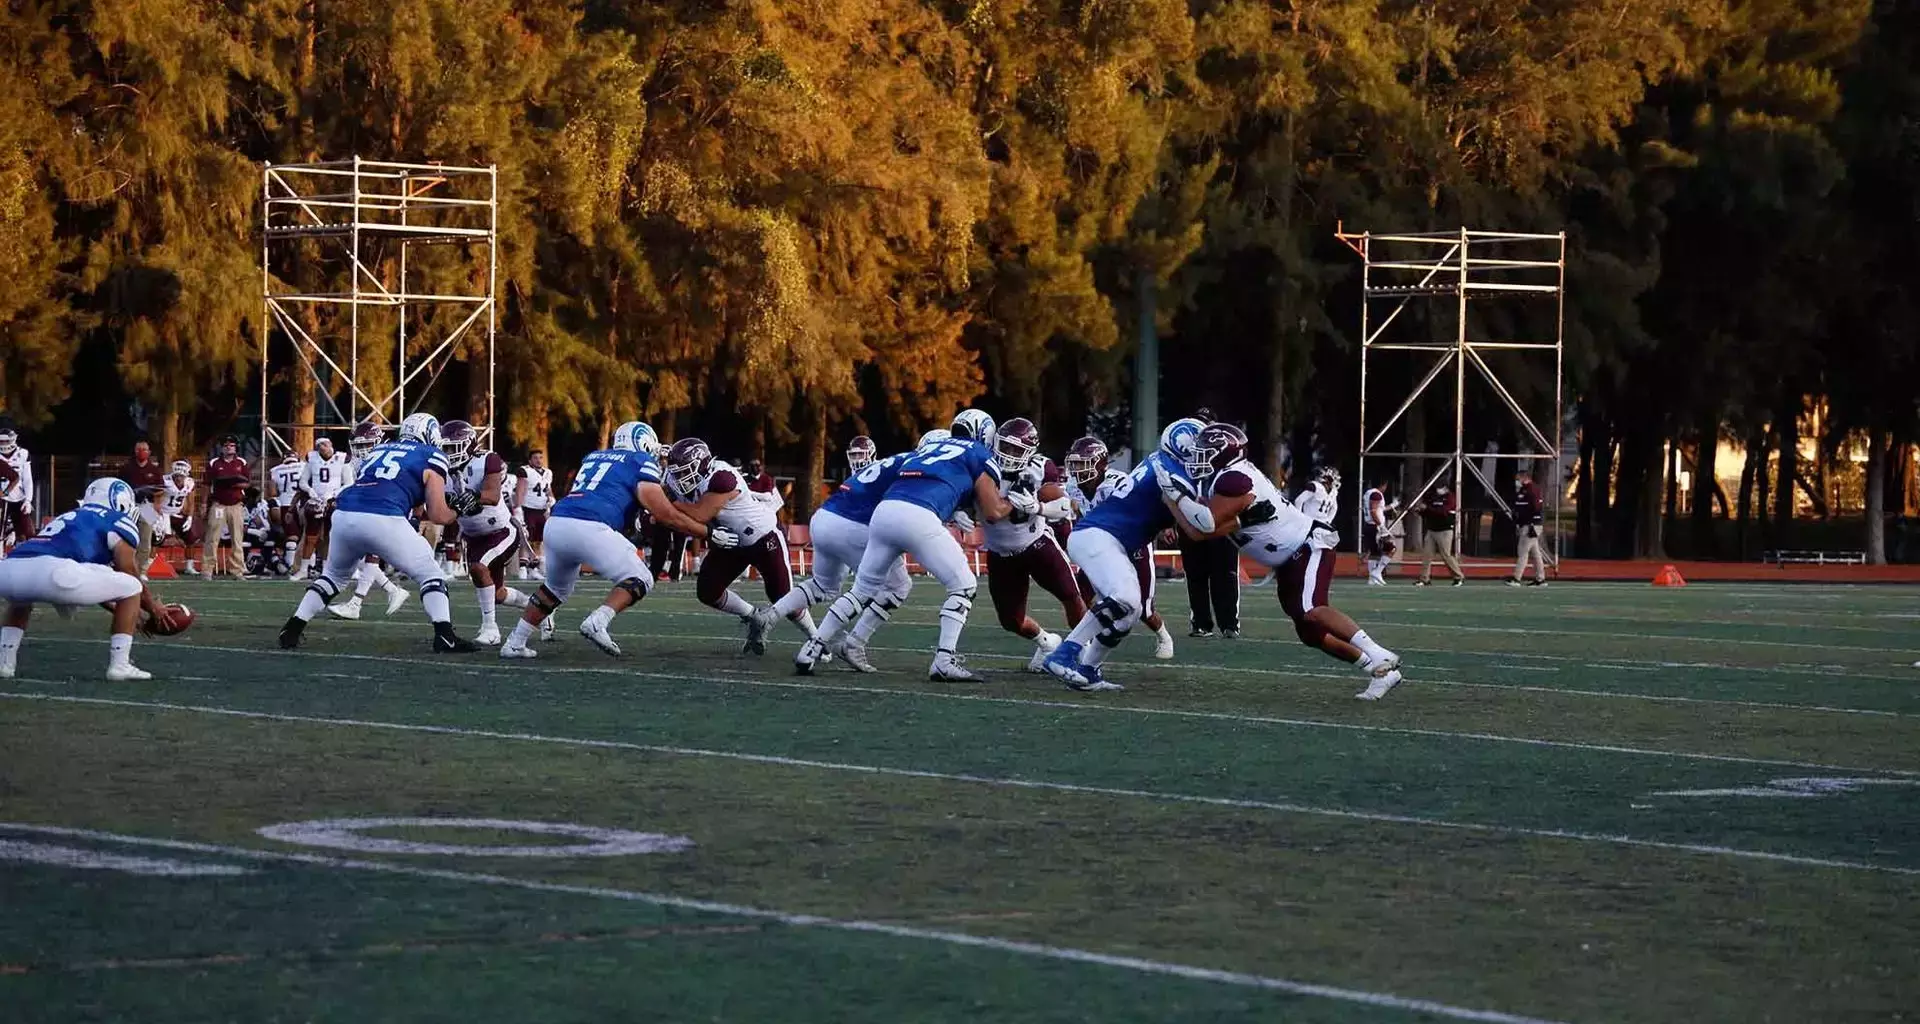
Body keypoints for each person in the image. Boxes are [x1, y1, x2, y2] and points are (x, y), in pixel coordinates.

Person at [796, 410, 1018, 681]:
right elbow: (993, 511)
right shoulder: (978, 452)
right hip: (918, 516)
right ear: (985, 434)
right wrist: (1016, 503)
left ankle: (812, 647)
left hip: (884, 512)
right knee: (964, 585)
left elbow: (927, 482)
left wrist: (954, 506)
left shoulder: (930, 448)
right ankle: (944, 660)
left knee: (862, 590)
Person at [1188, 424, 1405, 700]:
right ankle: (1379, 670)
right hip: (1290, 554)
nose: (1198, 456)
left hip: (1307, 543)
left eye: (1205, 450)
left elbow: (1203, 526)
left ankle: (1379, 654)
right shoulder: (1228, 477)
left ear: (1223, 451)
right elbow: (1207, 528)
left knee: (1311, 608)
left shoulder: (1233, 479)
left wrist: (1174, 497)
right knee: (1309, 632)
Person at [498, 421, 718, 659]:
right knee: (640, 577)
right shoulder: (639, 461)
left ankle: (514, 643)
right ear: (643, 444)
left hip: (558, 522)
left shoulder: (595, 457)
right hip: (591, 525)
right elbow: (665, 513)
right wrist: (707, 532)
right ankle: (598, 621)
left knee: (554, 590)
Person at [277, 413, 477, 653]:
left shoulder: (378, 451)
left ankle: (293, 628)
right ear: (431, 434)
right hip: (383, 516)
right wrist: (459, 508)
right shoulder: (433, 455)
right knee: (431, 574)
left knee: (333, 577)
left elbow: (399, 493)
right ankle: (445, 636)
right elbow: (438, 516)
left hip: (344, 514)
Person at [1043, 419, 1210, 691]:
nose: (1204, 459)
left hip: (1111, 540)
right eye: (1200, 451)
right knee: (1125, 599)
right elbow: (1200, 526)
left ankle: (1089, 671)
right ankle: (1064, 655)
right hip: (1100, 536)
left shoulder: (1159, 463)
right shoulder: (1173, 472)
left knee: (1129, 613)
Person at [750, 433, 929, 672]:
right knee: (890, 587)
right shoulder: (907, 469)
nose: (857, 460)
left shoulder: (877, 469)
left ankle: (770, 616)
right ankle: (836, 644)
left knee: (822, 586)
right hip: (854, 528)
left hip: (824, 521)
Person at [0, 478, 181, 680]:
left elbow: (93, 577)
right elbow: (127, 570)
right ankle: (120, 666)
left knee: (21, 598)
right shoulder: (117, 520)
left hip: (8, 569)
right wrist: (153, 608)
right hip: (56, 571)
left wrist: (121, 609)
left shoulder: (69, 515)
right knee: (131, 586)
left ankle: (5, 663)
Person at [664, 438, 801, 654]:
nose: (680, 478)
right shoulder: (676, 481)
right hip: (732, 541)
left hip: (763, 537)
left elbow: (701, 514)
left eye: (685, 471)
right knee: (708, 591)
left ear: (701, 464)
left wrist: (671, 505)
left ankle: (818, 640)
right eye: (677, 473)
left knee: (784, 597)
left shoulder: (721, 477)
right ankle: (754, 616)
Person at [980, 418, 1085, 671]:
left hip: (1036, 544)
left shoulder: (1040, 467)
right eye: (1006, 447)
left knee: (1071, 596)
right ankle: (1047, 642)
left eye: (1017, 449)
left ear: (1030, 451)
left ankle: (1083, 651)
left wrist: (1038, 507)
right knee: (1011, 621)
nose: (1010, 454)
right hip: (1000, 554)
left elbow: (1064, 505)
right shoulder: (982, 467)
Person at [1062, 435, 1176, 660]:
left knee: (1143, 608)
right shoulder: (1073, 486)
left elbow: (1145, 505)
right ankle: (1081, 644)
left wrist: (1163, 527)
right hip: (1100, 548)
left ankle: (1164, 636)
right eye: (1075, 464)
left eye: (1084, 464)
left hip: (1132, 544)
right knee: (1080, 595)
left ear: (1101, 464)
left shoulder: (1118, 482)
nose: (1078, 470)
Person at [438, 421, 535, 646]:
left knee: (478, 567)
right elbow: (442, 515)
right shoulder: (440, 470)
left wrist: (472, 495)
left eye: (453, 448)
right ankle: (536, 605)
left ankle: (490, 628)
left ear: (469, 444)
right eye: (446, 448)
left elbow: (491, 494)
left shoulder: (487, 460)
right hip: (474, 536)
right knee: (497, 594)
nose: (448, 453)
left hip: (501, 531)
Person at [326, 421, 409, 618]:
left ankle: (356, 604)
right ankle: (393, 590)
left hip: (387, 509)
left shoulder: (387, 458)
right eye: (358, 446)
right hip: (365, 510)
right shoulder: (354, 463)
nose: (362, 450)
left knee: (371, 555)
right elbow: (353, 486)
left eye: (366, 445)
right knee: (358, 557)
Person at [1175, 409, 1241, 637]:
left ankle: (1229, 624)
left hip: (1220, 520)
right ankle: (1201, 622)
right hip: (1190, 521)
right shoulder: (1180, 455)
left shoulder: (1227, 457)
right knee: (1195, 574)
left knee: (1226, 574)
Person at [199, 435, 249, 578]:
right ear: (222, 448)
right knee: (212, 537)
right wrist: (203, 503)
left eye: (231, 445)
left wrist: (233, 483)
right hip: (218, 504)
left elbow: (247, 482)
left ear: (236, 447)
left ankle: (237, 570)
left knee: (237, 539)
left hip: (236, 504)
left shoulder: (241, 462)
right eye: (226, 445)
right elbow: (206, 484)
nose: (228, 447)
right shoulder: (214, 463)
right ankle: (207, 569)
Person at [124, 440, 167, 573]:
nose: (141, 452)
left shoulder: (154, 470)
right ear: (135, 451)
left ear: (149, 452)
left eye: (144, 449)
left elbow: (161, 489)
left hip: (147, 506)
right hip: (130, 506)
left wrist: (157, 504)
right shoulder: (127, 468)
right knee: (128, 538)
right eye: (138, 449)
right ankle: (127, 568)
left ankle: (142, 570)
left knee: (146, 539)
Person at [158, 460, 204, 574]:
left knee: (191, 537)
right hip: (163, 513)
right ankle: (149, 564)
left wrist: (189, 517)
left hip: (177, 513)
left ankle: (189, 566)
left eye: (181, 476)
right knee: (159, 539)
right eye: (177, 476)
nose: (179, 479)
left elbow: (191, 502)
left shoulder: (190, 483)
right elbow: (156, 499)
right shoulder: (164, 481)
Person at [1415, 482, 1465, 586]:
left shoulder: (1450, 498)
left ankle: (1458, 576)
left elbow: (1443, 511)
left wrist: (1427, 508)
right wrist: (1420, 511)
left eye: (1440, 487)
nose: (1438, 490)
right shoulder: (1432, 497)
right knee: (1427, 555)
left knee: (1446, 555)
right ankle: (1424, 579)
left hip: (1444, 530)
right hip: (1432, 529)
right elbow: (1428, 512)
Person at [515, 449, 554, 580]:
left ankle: (533, 568)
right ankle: (522, 567)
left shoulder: (548, 473)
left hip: (542, 510)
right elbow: (520, 490)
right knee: (526, 540)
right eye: (536, 458)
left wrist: (552, 499)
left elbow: (548, 489)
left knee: (538, 540)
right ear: (530, 460)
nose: (539, 460)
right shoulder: (525, 471)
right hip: (528, 509)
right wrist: (518, 507)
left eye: (540, 457)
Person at [1509, 466, 1548, 586]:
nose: (1517, 481)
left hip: (1531, 524)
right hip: (1527, 524)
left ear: (1523, 478)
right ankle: (1540, 579)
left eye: (1518, 479)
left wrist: (1531, 522)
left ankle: (1516, 578)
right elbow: (1520, 506)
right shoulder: (1523, 490)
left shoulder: (1532, 490)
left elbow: (1535, 508)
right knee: (1535, 553)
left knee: (1522, 551)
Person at [0, 426, 35, 553]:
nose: (3, 444)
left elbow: (27, 479)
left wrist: (28, 500)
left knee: (26, 531)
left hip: (18, 497)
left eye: (5, 441)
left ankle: (22, 554)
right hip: (2, 498)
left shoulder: (23, 454)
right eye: (1, 442)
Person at [269, 453, 305, 573]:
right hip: (302, 503)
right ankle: (308, 565)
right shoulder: (304, 466)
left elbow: (272, 492)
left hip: (285, 503)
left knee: (292, 536)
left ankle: (290, 564)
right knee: (308, 536)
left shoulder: (275, 470)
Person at [1361, 477, 1392, 585]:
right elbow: (1373, 511)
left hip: (1369, 525)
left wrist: (1392, 506)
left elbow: (1379, 508)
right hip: (1375, 526)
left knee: (1374, 552)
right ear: (1383, 485)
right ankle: (1377, 572)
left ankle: (1372, 579)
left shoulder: (1368, 493)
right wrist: (1381, 526)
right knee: (1391, 548)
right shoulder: (1376, 494)